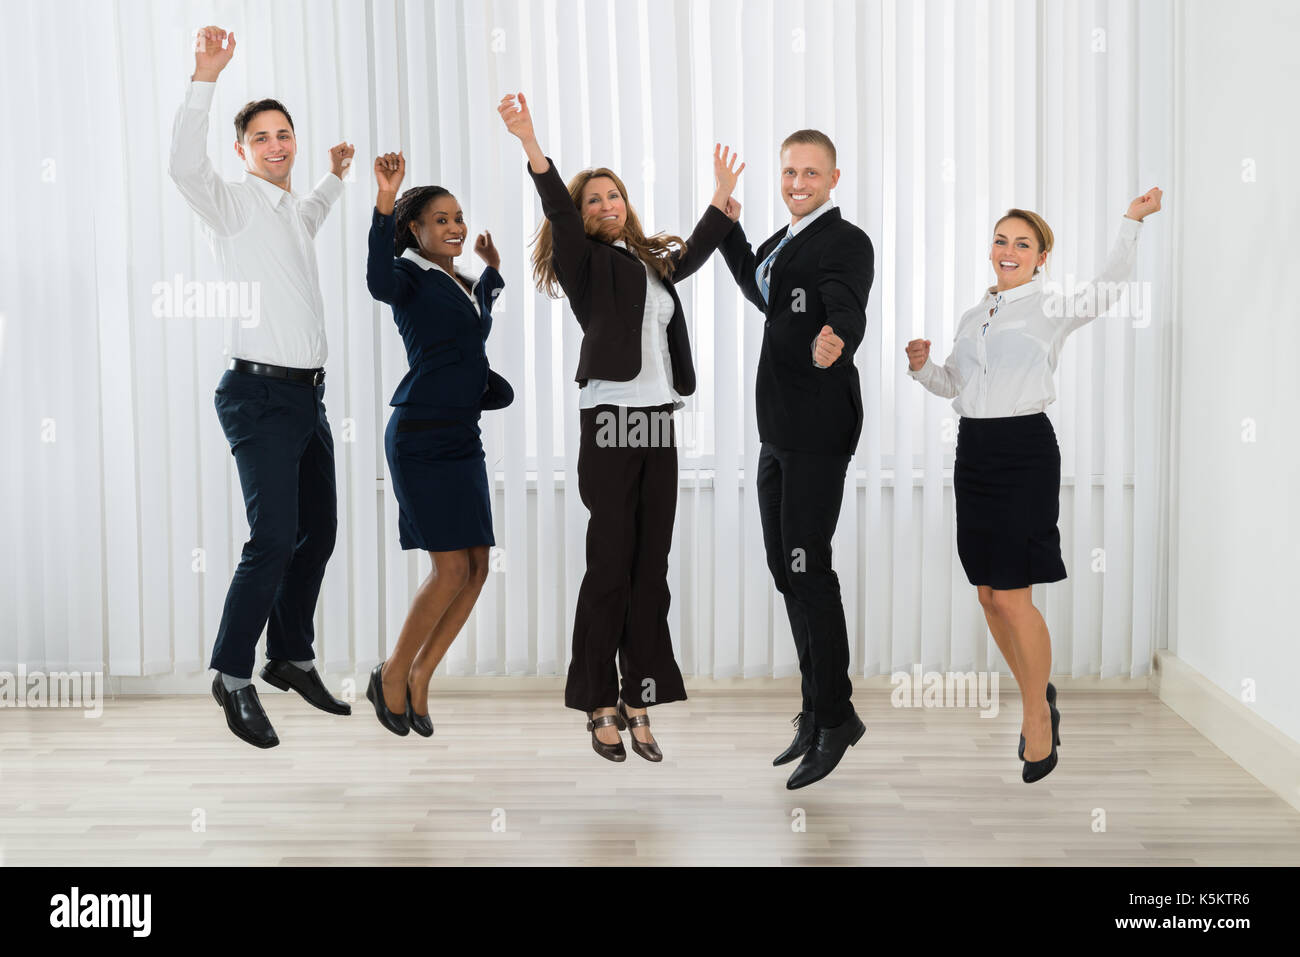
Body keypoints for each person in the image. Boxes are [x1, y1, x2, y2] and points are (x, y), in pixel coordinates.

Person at [498, 91, 743, 762]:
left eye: (614, 196)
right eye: (594, 200)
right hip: (609, 422)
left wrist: (720, 198)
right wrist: (531, 143)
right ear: (580, 215)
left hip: (659, 424)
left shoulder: (650, 264)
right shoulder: (582, 263)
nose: (607, 204)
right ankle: (597, 700)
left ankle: (641, 695)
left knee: (650, 567)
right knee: (610, 564)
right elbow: (556, 208)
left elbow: (692, 255)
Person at [905, 187, 1163, 783]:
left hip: (1024, 453)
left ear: (1042, 257)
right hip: (974, 452)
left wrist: (1131, 221)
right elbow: (954, 385)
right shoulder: (974, 316)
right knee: (987, 594)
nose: (1009, 250)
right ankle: (1037, 692)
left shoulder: (1050, 308)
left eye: (1023, 244)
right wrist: (922, 368)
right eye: (1002, 240)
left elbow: (1109, 286)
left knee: (1014, 595)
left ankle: (1036, 719)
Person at [169, 25, 354, 748]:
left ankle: (290, 657)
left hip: (308, 399)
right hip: (258, 397)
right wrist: (206, 77)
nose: (275, 145)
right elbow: (184, 167)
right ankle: (232, 674)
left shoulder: (291, 213)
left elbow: (313, 211)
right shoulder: (233, 206)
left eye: (284, 135)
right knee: (272, 538)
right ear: (242, 150)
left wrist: (336, 175)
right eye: (261, 138)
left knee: (319, 532)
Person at [717, 130, 875, 790]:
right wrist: (730, 227)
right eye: (789, 172)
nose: (798, 182)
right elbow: (764, 292)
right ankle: (816, 710)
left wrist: (837, 338)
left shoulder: (844, 240)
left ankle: (836, 718)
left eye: (811, 172)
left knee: (810, 572)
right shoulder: (786, 241)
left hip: (817, 428)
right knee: (787, 571)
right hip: (777, 429)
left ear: (834, 178)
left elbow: (846, 303)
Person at [364, 151, 514, 738]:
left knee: (477, 567)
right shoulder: (406, 276)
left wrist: (491, 273)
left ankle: (422, 674)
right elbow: (377, 281)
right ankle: (391, 672)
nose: (454, 227)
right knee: (449, 568)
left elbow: (472, 332)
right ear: (415, 229)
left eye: (458, 218)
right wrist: (384, 201)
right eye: (441, 220)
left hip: (462, 436)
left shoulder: (458, 282)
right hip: (421, 436)